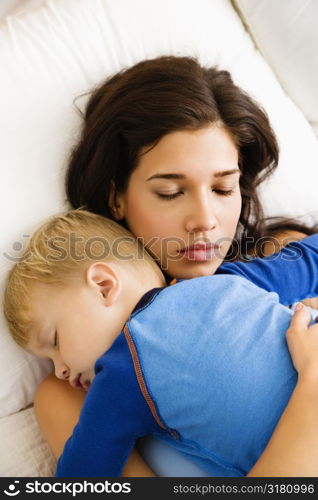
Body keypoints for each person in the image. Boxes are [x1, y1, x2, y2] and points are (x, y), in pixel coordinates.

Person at [33, 55, 318, 476]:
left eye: (223, 188)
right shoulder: (78, 386)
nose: (205, 219)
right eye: (169, 192)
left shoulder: (273, 268)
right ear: (117, 197)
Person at [4, 209, 318, 477]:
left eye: (54, 341)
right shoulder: (226, 280)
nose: (58, 371)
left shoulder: (122, 376)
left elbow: (82, 476)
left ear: (103, 286)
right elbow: (307, 259)